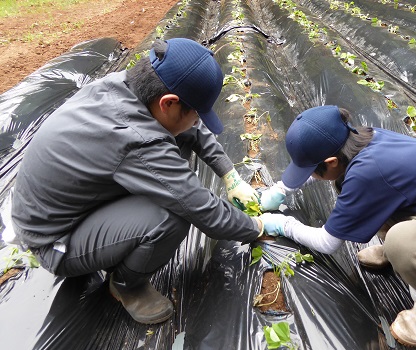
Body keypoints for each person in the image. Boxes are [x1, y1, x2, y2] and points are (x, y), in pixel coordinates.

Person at [7, 38, 264, 325]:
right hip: (55, 239)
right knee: (171, 216)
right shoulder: (135, 138)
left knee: (176, 146)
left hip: (66, 205)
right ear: (168, 103)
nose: (196, 121)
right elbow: (202, 209)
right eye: (195, 113)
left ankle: (116, 243)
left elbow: (192, 126)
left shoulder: (130, 86)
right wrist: (258, 227)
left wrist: (229, 174)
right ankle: (126, 285)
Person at [259, 105, 416, 347]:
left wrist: (283, 225)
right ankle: (403, 249)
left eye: (312, 171)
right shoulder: (362, 137)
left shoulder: (368, 172)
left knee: (402, 241)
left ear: (332, 161)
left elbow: (327, 243)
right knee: (370, 203)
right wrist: (282, 189)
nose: (311, 176)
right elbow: (335, 174)